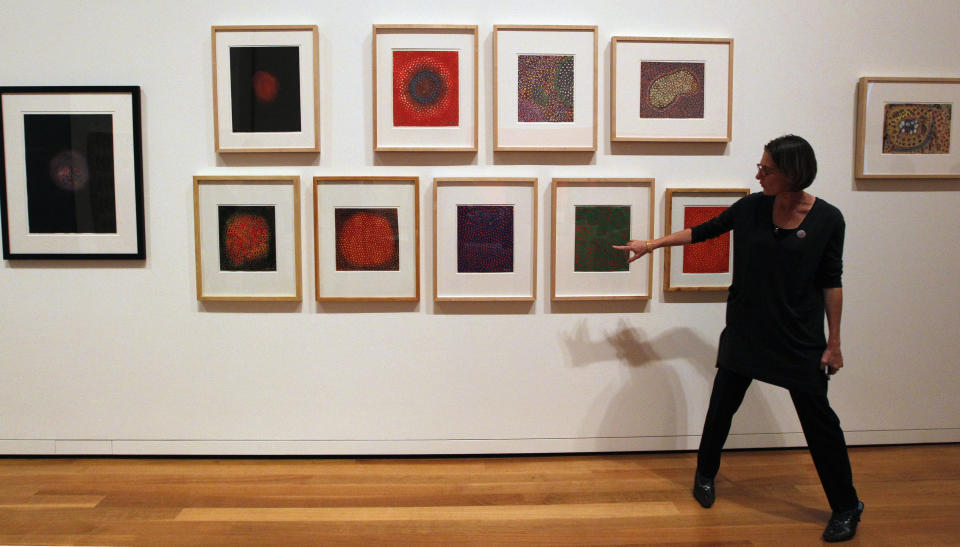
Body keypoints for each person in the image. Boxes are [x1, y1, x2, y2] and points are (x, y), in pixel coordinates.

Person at [614, 135, 863, 542]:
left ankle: (847, 506)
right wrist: (652, 244)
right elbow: (703, 231)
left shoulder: (828, 219)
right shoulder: (751, 208)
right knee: (722, 408)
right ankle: (705, 475)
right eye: (760, 166)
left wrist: (834, 342)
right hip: (746, 330)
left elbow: (831, 282)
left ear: (792, 173)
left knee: (821, 426)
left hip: (798, 338)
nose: (758, 174)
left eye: (767, 169)